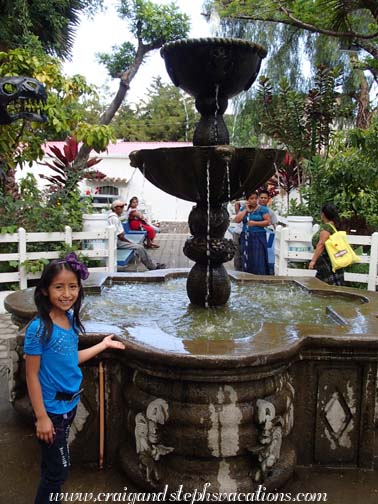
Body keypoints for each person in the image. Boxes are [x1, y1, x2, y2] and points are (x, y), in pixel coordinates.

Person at [24, 253, 126, 504]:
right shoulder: (39, 328)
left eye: (73, 287)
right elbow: (31, 376)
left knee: (52, 470)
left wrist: (102, 345)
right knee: (59, 471)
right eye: (59, 287)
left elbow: (70, 359)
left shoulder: (68, 319)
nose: (67, 293)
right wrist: (41, 418)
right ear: (46, 290)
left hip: (68, 407)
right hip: (52, 412)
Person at [108, 200, 165, 270]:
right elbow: (121, 236)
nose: (123, 209)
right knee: (139, 248)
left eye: (123, 207)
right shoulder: (114, 218)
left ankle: (152, 264)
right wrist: (129, 242)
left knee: (139, 246)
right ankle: (153, 267)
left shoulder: (114, 217)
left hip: (116, 240)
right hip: (117, 242)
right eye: (121, 207)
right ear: (115, 208)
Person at [234, 191, 271, 275]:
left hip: (258, 236)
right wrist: (246, 211)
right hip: (246, 236)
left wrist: (255, 223)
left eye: (255, 198)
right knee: (247, 257)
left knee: (258, 258)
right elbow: (237, 220)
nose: (254, 200)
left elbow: (268, 222)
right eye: (251, 198)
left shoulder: (263, 209)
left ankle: (260, 276)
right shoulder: (244, 209)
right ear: (247, 200)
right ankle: (247, 274)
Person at [309, 203, 345, 285]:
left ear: (323, 214)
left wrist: (313, 261)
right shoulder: (335, 226)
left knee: (326, 284)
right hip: (334, 259)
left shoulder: (327, 228)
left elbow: (321, 244)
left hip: (326, 261)